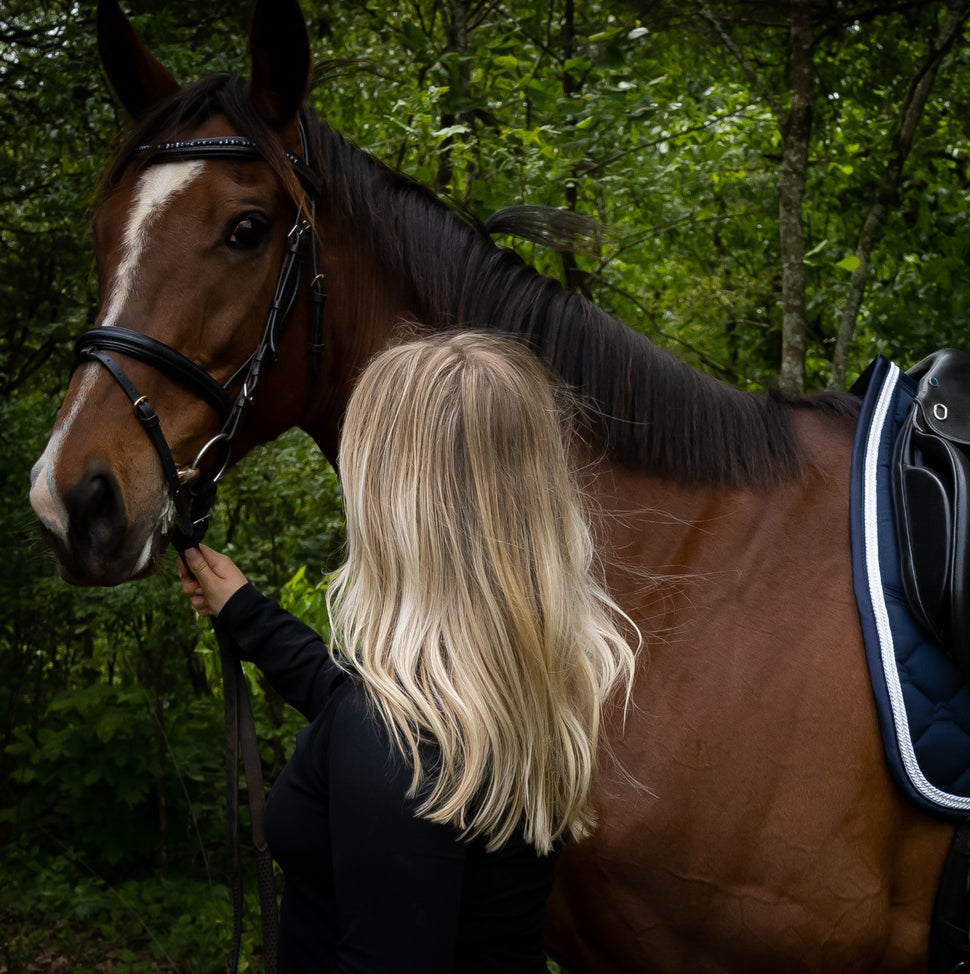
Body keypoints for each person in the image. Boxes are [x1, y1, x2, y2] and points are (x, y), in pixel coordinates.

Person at [178, 332, 638, 973]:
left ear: (397, 507)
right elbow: (352, 701)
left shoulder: (397, 747)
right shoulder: (497, 686)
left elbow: (378, 738)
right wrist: (247, 615)